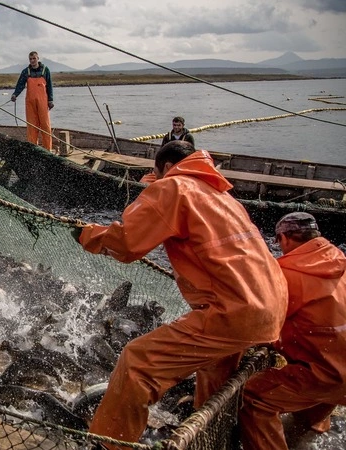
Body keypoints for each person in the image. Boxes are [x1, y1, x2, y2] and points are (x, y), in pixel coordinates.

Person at [72, 140, 287, 449]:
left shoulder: (174, 186)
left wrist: (87, 235)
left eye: (157, 175)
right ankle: (211, 441)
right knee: (216, 379)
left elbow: (127, 242)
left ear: (168, 167)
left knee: (136, 364)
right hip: (272, 307)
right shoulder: (222, 197)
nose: (156, 181)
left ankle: (109, 445)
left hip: (234, 311)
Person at [238, 212, 345, 450]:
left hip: (328, 376)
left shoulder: (286, 274)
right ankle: (309, 433)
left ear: (284, 238)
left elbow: (258, 322)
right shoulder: (340, 261)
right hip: (340, 372)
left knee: (253, 398)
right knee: (312, 407)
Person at [10, 51, 54, 150]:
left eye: (34, 58)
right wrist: (15, 94)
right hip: (30, 103)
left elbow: (49, 86)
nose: (32, 61)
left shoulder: (45, 70)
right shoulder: (26, 71)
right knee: (31, 126)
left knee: (45, 125)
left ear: (38, 58)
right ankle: (33, 149)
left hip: (43, 102)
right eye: (30, 59)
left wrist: (50, 100)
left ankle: (48, 149)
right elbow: (20, 85)